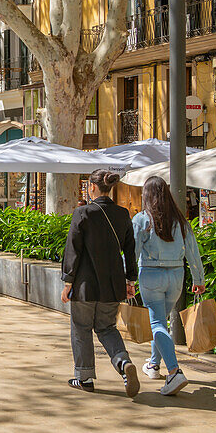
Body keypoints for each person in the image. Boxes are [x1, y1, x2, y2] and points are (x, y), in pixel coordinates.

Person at [60, 169, 140, 397]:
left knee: (81, 329)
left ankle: (84, 378)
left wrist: (68, 282)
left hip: (85, 285)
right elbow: (130, 251)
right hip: (113, 285)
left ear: (92, 187)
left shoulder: (82, 213)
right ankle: (123, 363)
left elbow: (72, 250)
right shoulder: (123, 214)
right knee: (107, 328)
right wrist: (130, 279)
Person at [132, 176, 206, 396]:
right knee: (161, 321)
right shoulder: (181, 221)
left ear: (146, 195)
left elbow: (132, 251)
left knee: (157, 322)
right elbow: (193, 253)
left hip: (151, 275)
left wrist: (128, 279)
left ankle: (174, 371)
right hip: (176, 276)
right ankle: (154, 365)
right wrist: (198, 279)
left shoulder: (142, 219)